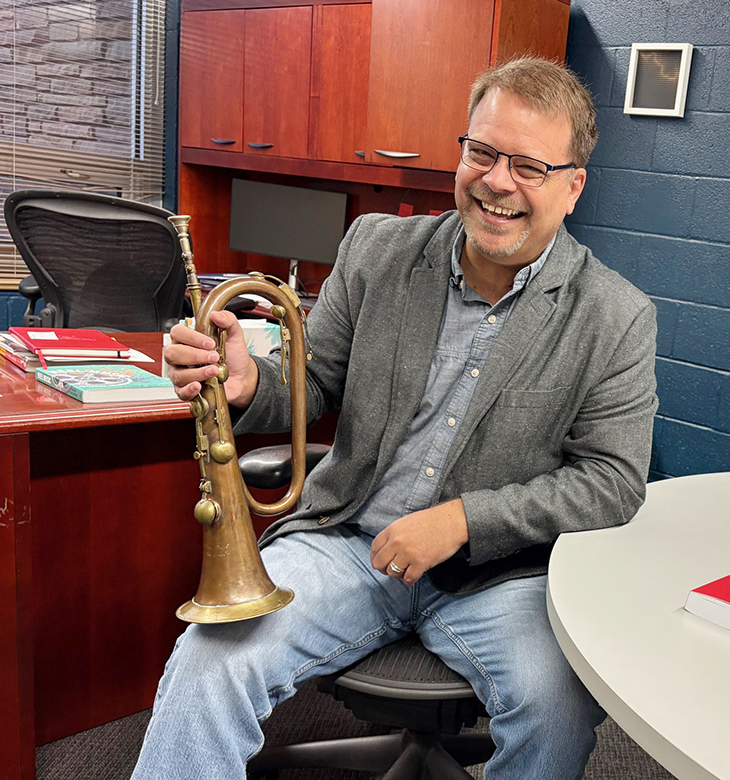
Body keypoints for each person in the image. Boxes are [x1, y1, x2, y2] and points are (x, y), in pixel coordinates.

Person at [131, 57, 658, 780]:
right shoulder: (376, 248)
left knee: (558, 706)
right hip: (348, 541)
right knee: (210, 659)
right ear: (462, 152)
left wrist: (464, 519)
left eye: (529, 166)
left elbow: (613, 481)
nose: (497, 182)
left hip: (498, 576)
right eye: (483, 152)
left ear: (573, 188)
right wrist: (253, 382)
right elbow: (314, 385)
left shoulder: (617, 315)